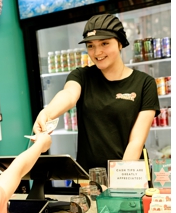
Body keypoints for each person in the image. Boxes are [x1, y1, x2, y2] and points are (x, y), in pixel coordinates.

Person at [34, 13, 158, 171]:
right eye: (90, 45)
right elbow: (69, 95)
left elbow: (136, 142)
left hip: (129, 176)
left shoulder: (144, 83)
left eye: (104, 43)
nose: (97, 52)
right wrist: (47, 113)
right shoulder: (81, 76)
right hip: (88, 180)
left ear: (120, 43)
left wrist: (118, 184)